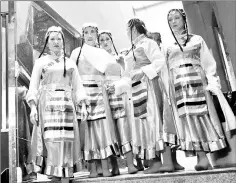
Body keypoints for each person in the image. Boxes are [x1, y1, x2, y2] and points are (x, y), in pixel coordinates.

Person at [165, 9, 236, 171]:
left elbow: (208, 62)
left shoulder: (197, 39)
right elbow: (166, 70)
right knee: (188, 120)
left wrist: (212, 82)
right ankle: (200, 156)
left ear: (184, 19)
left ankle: (207, 155)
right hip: (179, 88)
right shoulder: (168, 46)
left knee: (203, 117)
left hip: (198, 84)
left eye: (176, 18)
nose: (174, 21)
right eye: (170, 20)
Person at [26, 26, 88, 182]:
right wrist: (33, 107)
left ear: (63, 41)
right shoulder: (41, 62)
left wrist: (83, 104)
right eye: (52, 39)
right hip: (47, 106)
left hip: (66, 104)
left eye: (58, 39)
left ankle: (65, 173)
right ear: (47, 42)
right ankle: (54, 171)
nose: (56, 42)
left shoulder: (70, 63)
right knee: (50, 138)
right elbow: (33, 86)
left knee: (66, 138)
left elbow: (78, 85)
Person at [70, 23, 120, 178]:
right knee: (88, 132)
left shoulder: (101, 52)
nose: (89, 35)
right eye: (86, 32)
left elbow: (113, 72)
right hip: (84, 94)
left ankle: (107, 166)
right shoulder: (76, 53)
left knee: (103, 130)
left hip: (100, 93)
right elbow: (73, 75)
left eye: (92, 32)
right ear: (82, 35)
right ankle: (92, 168)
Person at [121, 18, 166, 174]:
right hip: (136, 88)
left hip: (148, 85)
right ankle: (150, 159)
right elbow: (127, 71)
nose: (127, 33)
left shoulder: (148, 43)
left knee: (151, 121)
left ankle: (157, 160)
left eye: (127, 30)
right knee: (141, 124)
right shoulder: (131, 48)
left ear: (133, 29)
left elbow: (160, 61)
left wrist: (143, 71)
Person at [98, 30, 138, 174]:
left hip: (119, 95)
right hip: (104, 98)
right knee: (110, 130)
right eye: (101, 40)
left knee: (124, 126)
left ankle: (130, 163)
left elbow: (127, 76)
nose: (104, 42)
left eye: (107, 39)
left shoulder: (120, 58)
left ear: (112, 41)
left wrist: (116, 85)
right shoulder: (97, 62)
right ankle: (114, 166)